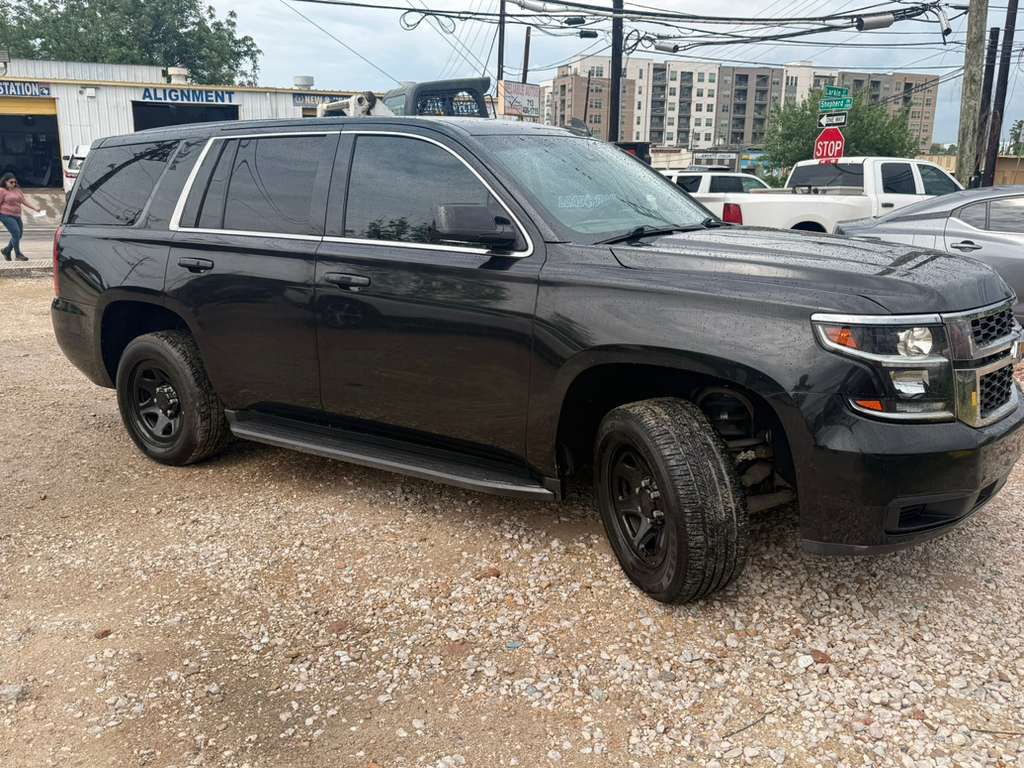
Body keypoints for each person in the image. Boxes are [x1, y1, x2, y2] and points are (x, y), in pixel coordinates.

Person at [0, 173, 43, 261]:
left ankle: (6, 250)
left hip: (17, 215)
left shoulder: (17, 190)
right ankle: (18, 255)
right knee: (16, 233)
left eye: (14, 182)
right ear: (5, 182)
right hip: (5, 215)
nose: (13, 184)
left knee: (19, 235)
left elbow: (23, 201)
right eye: (11, 182)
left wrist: (35, 208)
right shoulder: (2, 191)